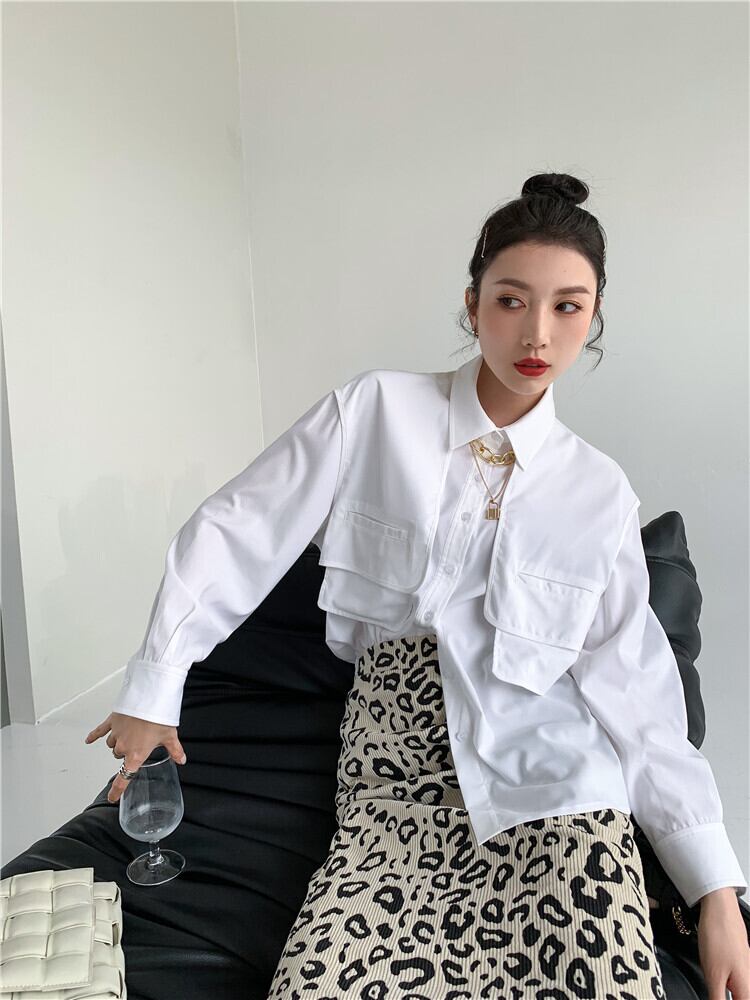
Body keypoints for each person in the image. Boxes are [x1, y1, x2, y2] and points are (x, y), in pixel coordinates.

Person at [85, 172, 749, 999]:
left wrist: (715, 892)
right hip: (390, 781)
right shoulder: (373, 413)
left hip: (558, 786)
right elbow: (237, 528)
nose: (537, 332)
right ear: (473, 305)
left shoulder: (599, 493)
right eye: (511, 300)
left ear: (595, 318)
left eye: (568, 306)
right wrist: (156, 684)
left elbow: (640, 698)